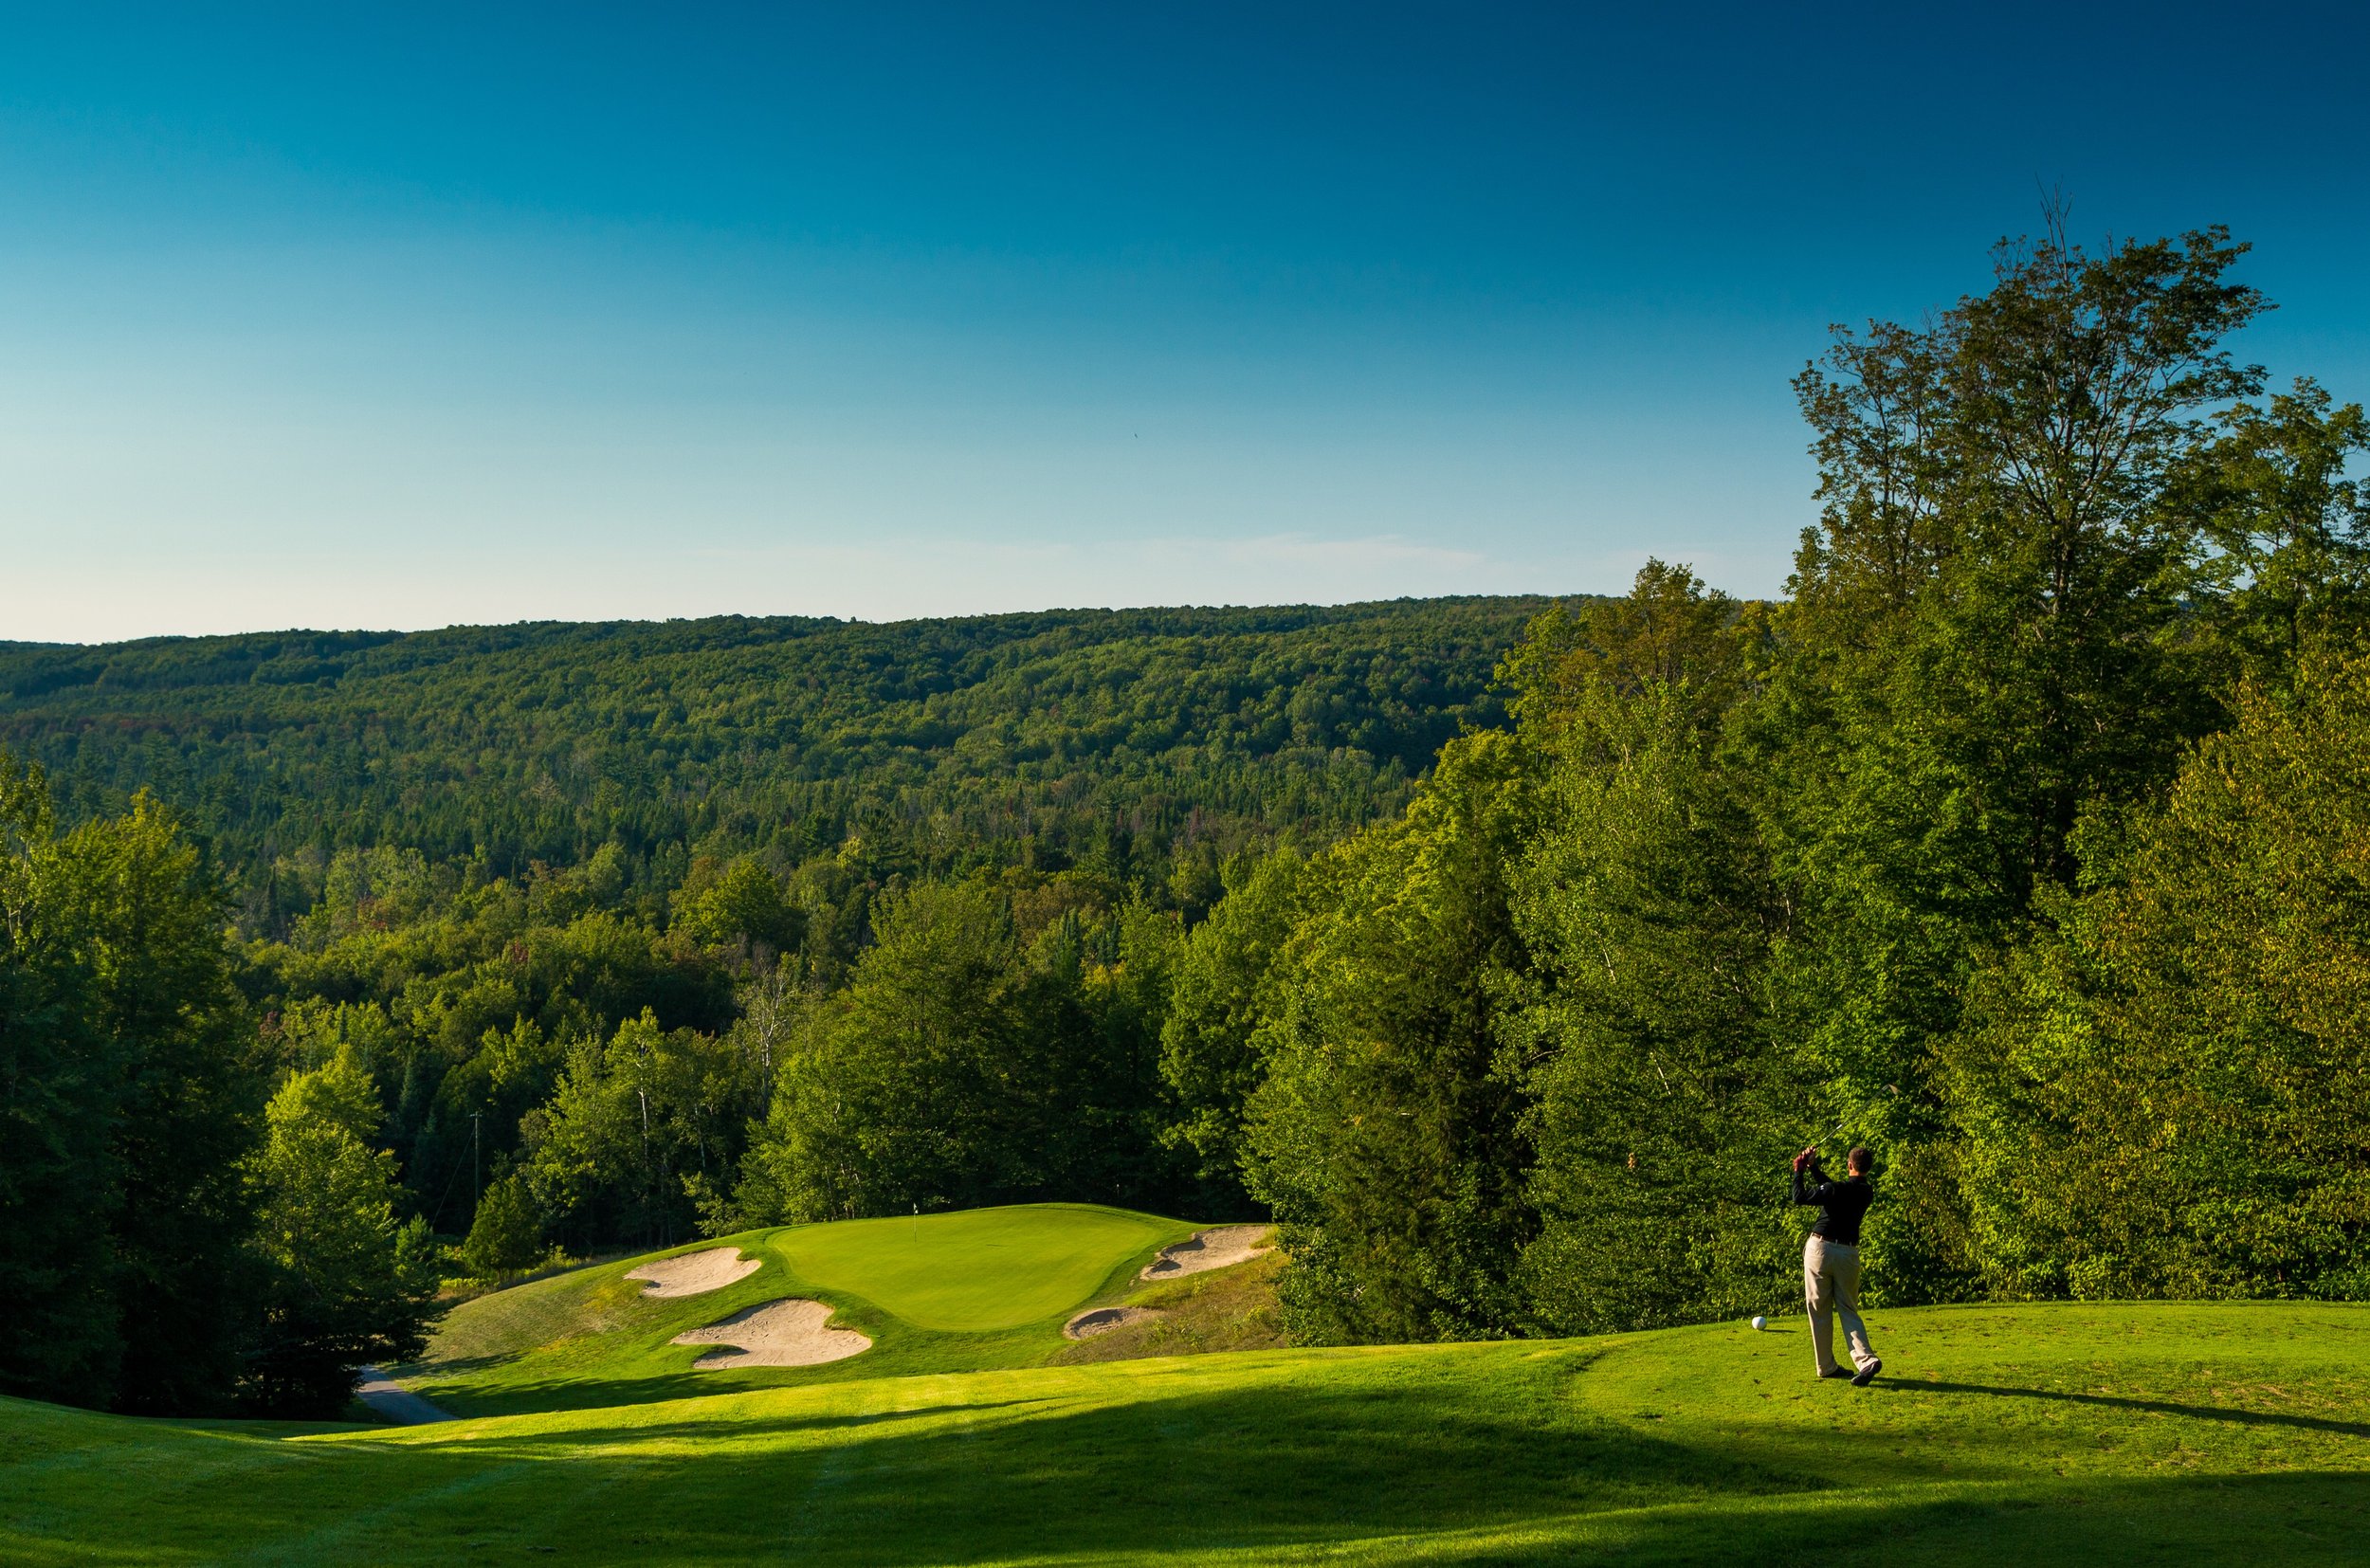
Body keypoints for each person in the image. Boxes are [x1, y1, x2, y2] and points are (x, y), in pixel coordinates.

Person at [1791, 1143, 1882, 1386]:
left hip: (1820, 1249)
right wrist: (1814, 1168)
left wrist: (1799, 1170)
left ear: (1849, 1165)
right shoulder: (1866, 1191)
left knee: (1819, 1310)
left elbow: (1799, 1197)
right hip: (1848, 1254)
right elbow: (1833, 1191)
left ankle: (1827, 1366)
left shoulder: (1835, 1189)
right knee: (1848, 1309)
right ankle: (1867, 1361)